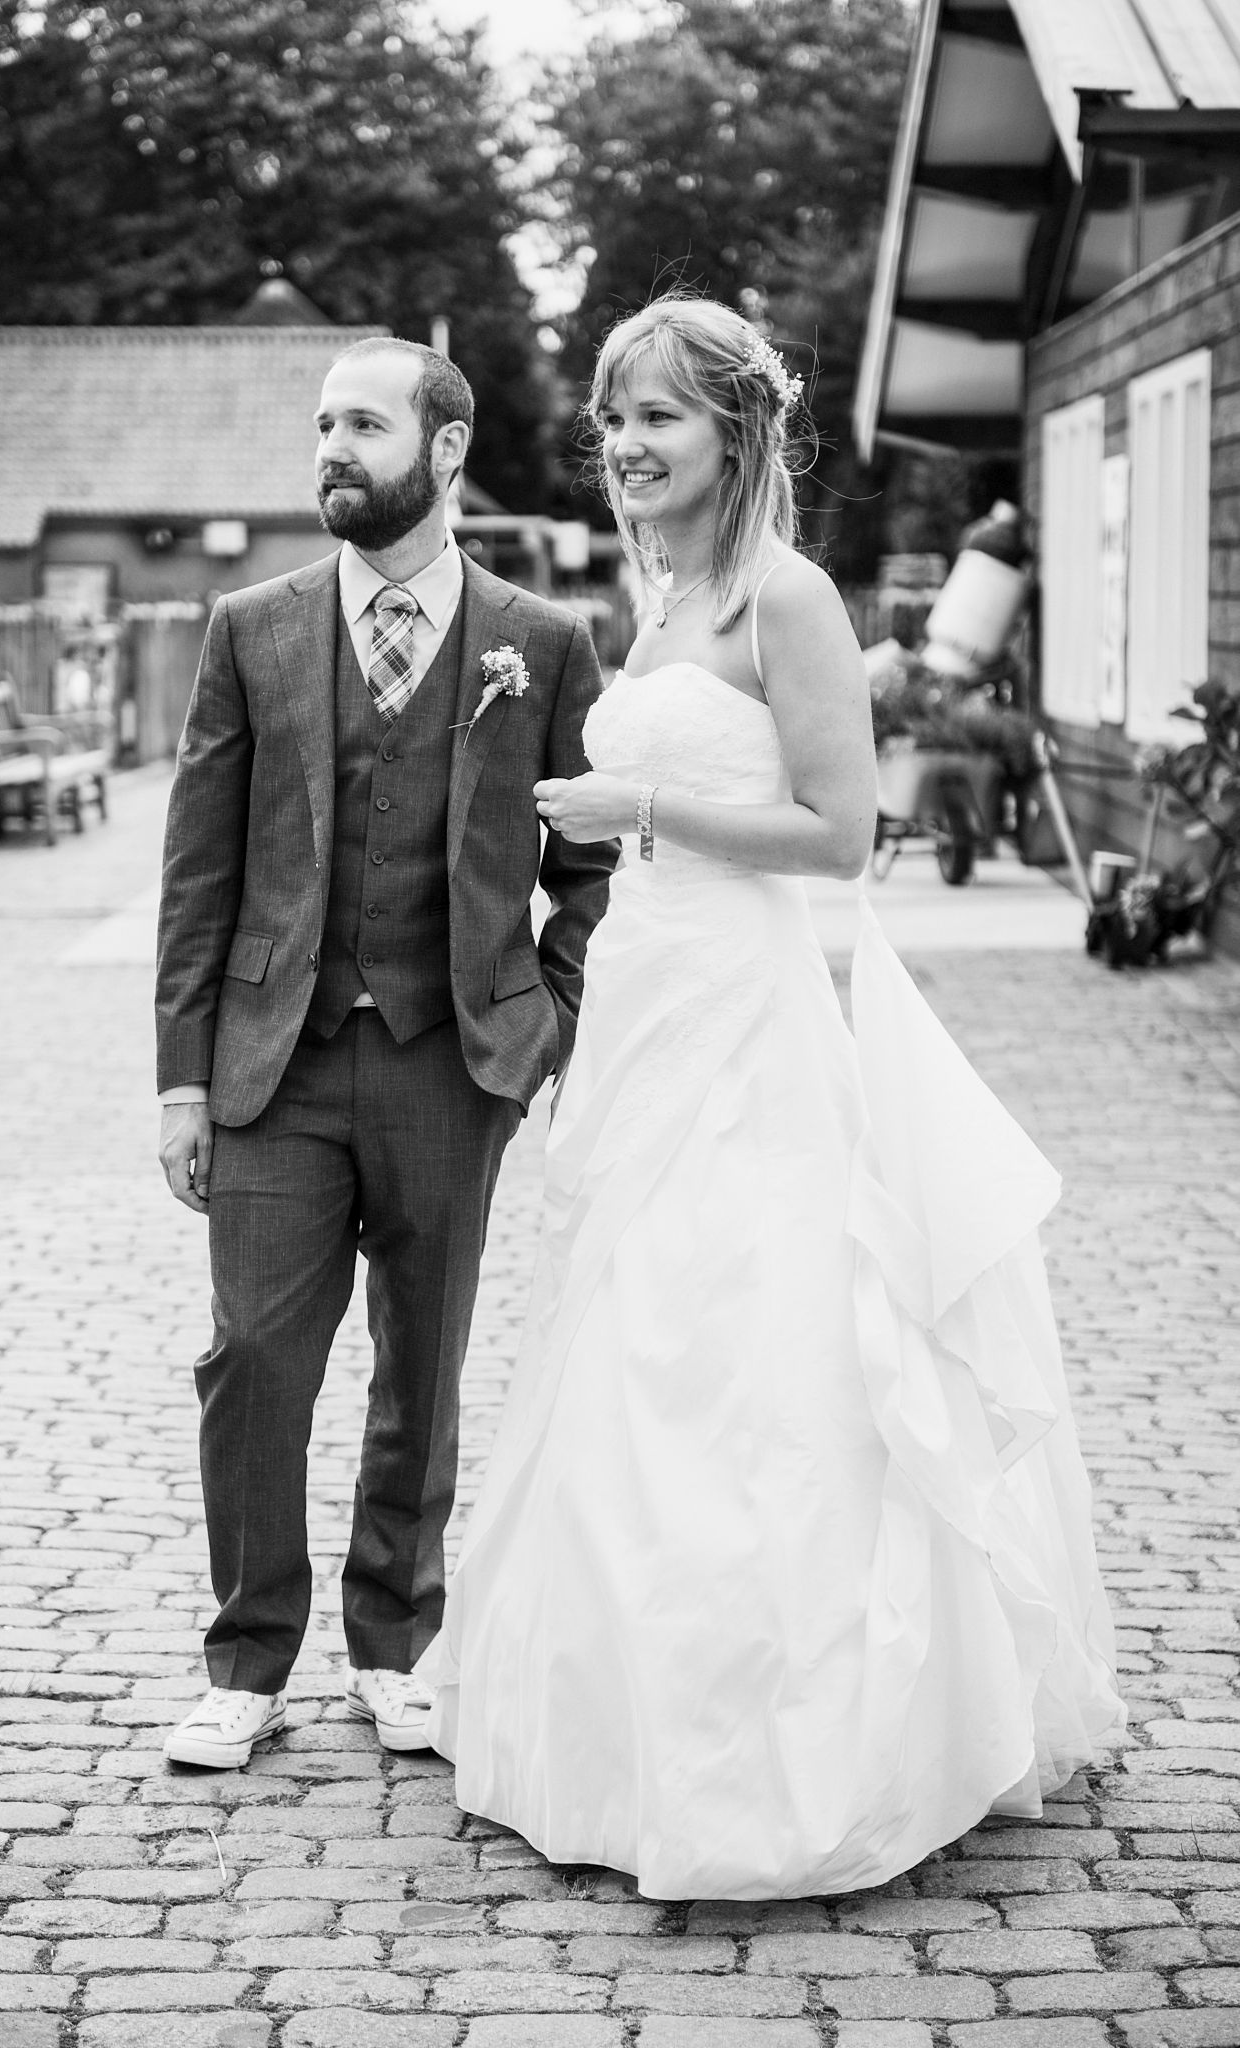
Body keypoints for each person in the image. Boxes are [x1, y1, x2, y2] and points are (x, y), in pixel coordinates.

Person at [421, 298, 1124, 1900]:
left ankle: (791, 1749)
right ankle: (616, 1723)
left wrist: (636, 803)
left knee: (753, 1348)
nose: (626, 444)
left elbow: (840, 835)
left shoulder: (785, 597)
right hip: (650, 999)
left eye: (658, 416)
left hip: (748, 1013)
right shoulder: (663, 598)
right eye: (615, 418)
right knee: (630, 1336)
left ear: (735, 433)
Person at [154, 338, 618, 1770]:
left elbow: (591, 867)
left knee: (423, 1363)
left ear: (447, 447)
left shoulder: (542, 643)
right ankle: (246, 1661)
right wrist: (182, 1078)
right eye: (322, 426)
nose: (331, 451)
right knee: (252, 1359)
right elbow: (198, 868)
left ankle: (395, 1644)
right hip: (273, 1064)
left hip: (450, 1062)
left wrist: (542, 1021)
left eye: (363, 424)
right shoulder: (252, 627)